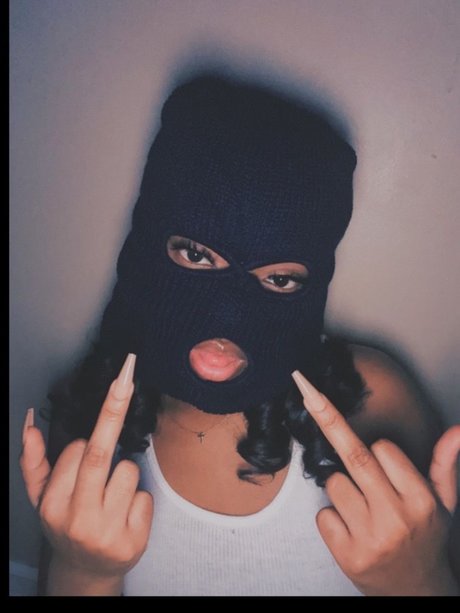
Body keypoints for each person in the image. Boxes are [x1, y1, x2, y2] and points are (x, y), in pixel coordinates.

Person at [20, 74, 460, 596]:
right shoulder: (97, 418)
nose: (228, 315)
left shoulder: (373, 399)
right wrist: (83, 574)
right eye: (197, 254)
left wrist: (420, 581)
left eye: (279, 279)